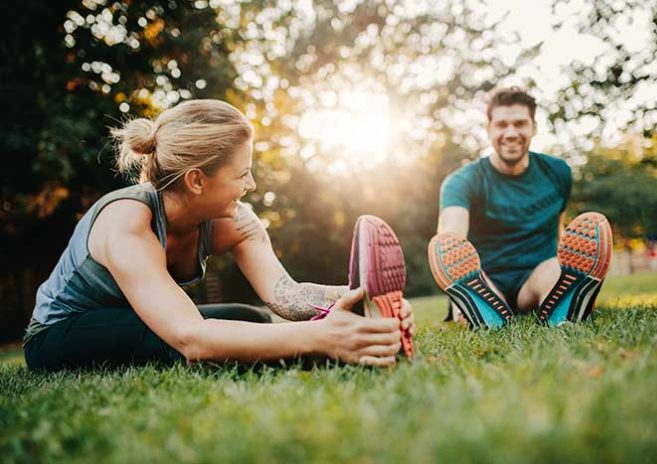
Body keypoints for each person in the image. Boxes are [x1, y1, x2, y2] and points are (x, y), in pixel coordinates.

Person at [24, 99, 414, 371]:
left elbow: (288, 297)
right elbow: (192, 336)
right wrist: (322, 338)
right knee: (185, 343)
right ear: (197, 180)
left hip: (135, 319)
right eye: (241, 174)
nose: (253, 183)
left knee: (252, 320)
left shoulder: (234, 221)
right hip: (62, 332)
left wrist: (363, 302)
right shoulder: (128, 221)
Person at [428, 87, 612, 328]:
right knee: (477, 282)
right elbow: (451, 240)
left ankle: (566, 300)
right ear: (489, 129)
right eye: (502, 124)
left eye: (520, 123)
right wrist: (454, 293)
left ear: (533, 127)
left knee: (555, 272)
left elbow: (558, 228)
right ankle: (474, 304)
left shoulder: (558, 172)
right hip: (486, 278)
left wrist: (566, 266)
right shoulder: (462, 181)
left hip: (536, 275)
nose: (511, 132)